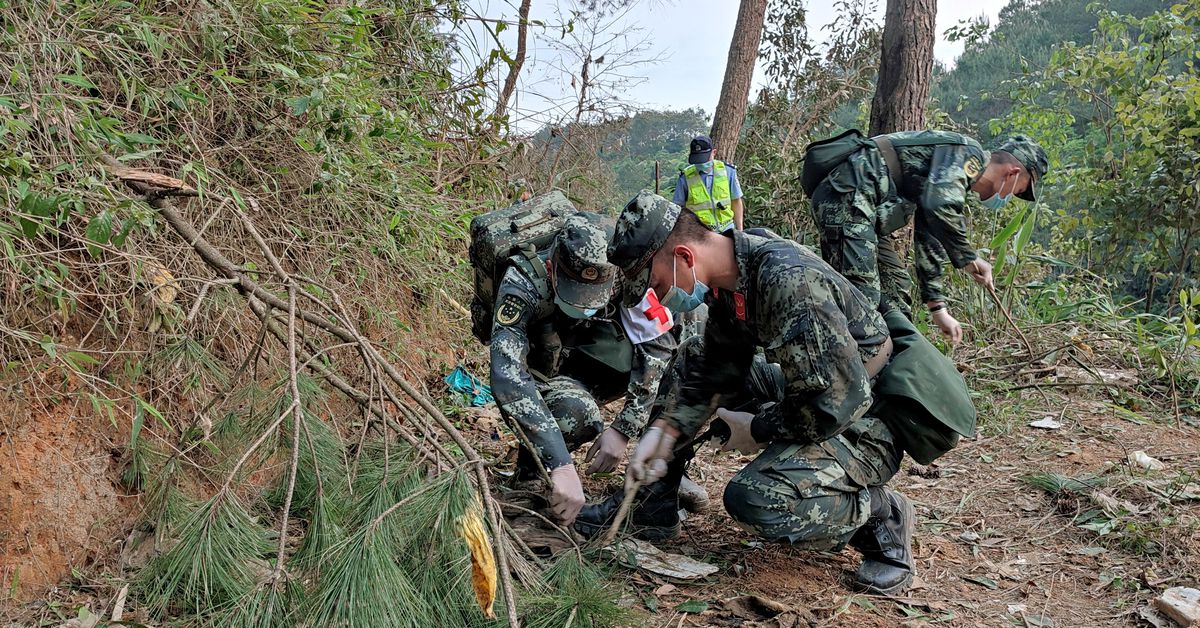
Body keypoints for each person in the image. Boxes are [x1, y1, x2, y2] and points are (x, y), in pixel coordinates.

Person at [585, 192, 927, 594]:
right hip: (817, 386)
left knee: (756, 498)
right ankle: (652, 506)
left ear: (684, 256)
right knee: (690, 357)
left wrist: (758, 427)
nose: (657, 297)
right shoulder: (733, 274)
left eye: (655, 283)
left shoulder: (787, 280)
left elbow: (835, 404)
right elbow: (717, 365)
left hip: (868, 415)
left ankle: (882, 517)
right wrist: (667, 431)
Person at [489, 212, 682, 525]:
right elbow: (508, 376)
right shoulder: (522, 283)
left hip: (588, 355)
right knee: (575, 414)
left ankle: (659, 478)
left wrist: (624, 429)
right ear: (551, 270)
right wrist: (560, 462)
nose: (585, 305)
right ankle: (533, 470)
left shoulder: (622, 266)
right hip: (540, 369)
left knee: (683, 357)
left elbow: (657, 345)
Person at [806, 132, 1048, 343]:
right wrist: (969, 258)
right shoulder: (968, 154)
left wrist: (938, 308)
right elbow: (938, 206)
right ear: (1013, 173)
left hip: (862, 209)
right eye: (1019, 190)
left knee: (895, 290)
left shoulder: (953, 177)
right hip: (847, 198)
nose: (1010, 196)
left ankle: (896, 370)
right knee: (862, 301)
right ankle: (841, 379)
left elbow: (929, 233)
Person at [674, 134, 745, 232]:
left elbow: (736, 201)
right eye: (697, 159)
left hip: (727, 230)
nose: (701, 163)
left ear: (714, 153)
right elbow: (678, 209)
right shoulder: (685, 177)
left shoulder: (728, 171)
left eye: (704, 158)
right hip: (700, 234)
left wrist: (740, 230)